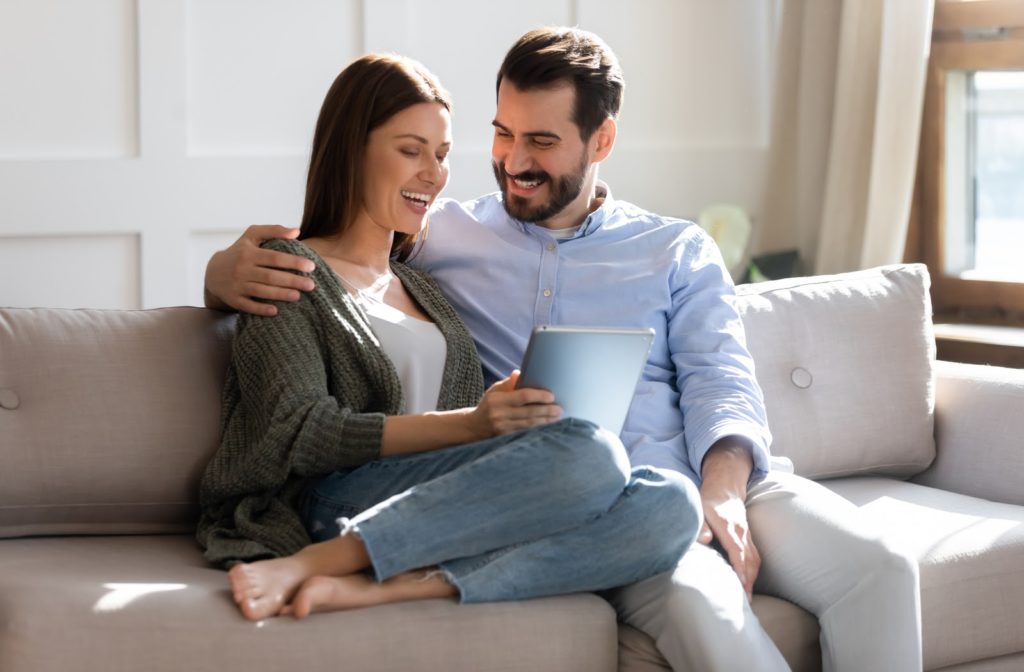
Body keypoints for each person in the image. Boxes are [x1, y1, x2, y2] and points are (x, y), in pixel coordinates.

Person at [204, 29, 923, 671]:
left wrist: (724, 492)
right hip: (566, 488)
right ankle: (354, 570)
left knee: (885, 567)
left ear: (600, 142)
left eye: (541, 142)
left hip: (705, 483)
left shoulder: (674, 248)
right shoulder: (444, 235)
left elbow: (720, 381)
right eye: (502, 134)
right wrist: (221, 276)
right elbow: (337, 259)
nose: (513, 162)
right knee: (698, 592)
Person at [196, 52, 700, 622]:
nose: (434, 174)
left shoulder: (424, 282)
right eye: (411, 150)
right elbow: (298, 434)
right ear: (352, 149)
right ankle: (320, 560)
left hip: (446, 497)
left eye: (441, 155)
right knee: (592, 453)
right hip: (335, 496)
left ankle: (393, 586)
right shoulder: (290, 269)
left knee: (672, 504)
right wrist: (473, 424)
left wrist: (505, 427)